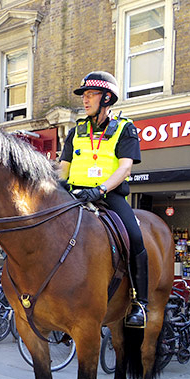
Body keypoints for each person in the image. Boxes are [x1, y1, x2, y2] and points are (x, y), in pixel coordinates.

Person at [58, 71, 148, 328]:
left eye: (90, 95)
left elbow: (125, 168)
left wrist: (100, 190)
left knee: (135, 236)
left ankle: (140, 302)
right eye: (83, 96)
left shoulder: (124, 128)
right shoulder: (76, 131)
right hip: (75, 195)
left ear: (106, 97)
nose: (85, 100)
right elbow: (63, 168)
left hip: (107, 197)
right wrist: (54, 184)